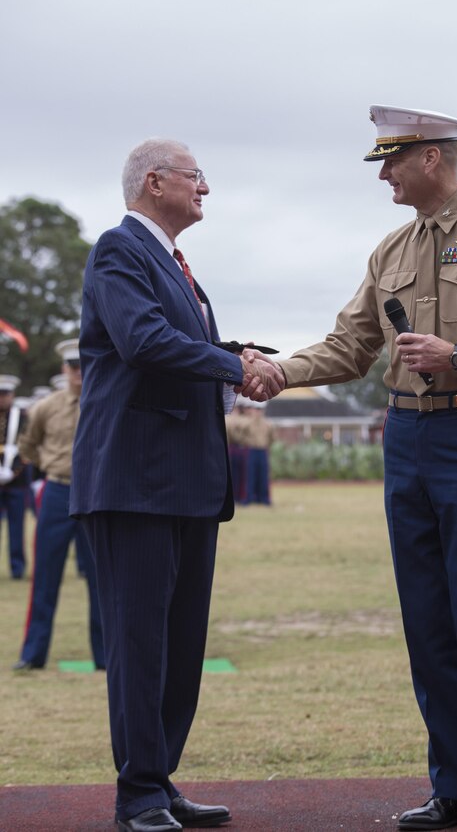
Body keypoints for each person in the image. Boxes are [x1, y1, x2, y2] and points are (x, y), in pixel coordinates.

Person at [252, 106, 457, 832]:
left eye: (392, 161)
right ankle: (451, 785)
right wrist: (279, 371)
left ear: (433, 159)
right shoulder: (389, 250)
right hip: (405, 438)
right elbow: (349, 344)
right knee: (427, 620)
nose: (385, 175)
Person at [70, 138, 284, 832]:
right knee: (140, 645)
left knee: (181, 645)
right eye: (197, 178)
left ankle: (159, 783)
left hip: (186, 485)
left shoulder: (179, 270)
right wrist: (231, 361)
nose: (206, 189)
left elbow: (180, 353)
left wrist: (237, 361)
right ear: (155, 182)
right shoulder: (119, 250)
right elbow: (144, 341)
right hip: (135, 483)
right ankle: (137, 796)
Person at [13, 340, 104, 670]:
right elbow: (28, 446)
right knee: (45, 577)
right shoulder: (45, 407)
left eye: (82, 365)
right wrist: (52, 466)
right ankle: (33, 655)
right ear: (64, 370)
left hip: (96, 494)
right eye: (72, 366)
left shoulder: (103, 400)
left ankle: (106, 657)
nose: (78, 372)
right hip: (57, 491)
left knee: (101, 578)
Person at [0, 374, 28, 578]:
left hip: (16, 482)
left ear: (12, 395)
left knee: (17, 527)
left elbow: (26, 446)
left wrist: (14, 471)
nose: (2, 398)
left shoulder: (23, 417)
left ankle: (17, 568)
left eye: (5, 394)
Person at [242, 405, 275, 505]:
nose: (258, 412)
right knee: (250, 475)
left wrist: (267, 446)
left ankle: (264, 498)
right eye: (256, 410)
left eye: (260, 410)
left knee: (263, 475)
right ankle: (249, 497)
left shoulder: (268, 424)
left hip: (262, 450)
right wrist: (247, 442)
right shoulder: (249, 424)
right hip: (252, 450)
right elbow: (243, 435)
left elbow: (271, 438)